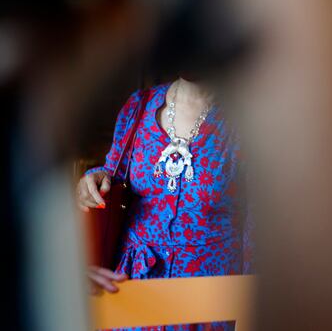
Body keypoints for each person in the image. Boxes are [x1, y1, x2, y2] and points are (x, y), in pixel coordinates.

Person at [76, 77, 251, 330]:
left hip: (209, 301)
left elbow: (259, 228)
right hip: (133, 289)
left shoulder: (245, 116)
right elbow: (114, 171)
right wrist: (93, 179)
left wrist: (252, 308)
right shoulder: (140, 106)